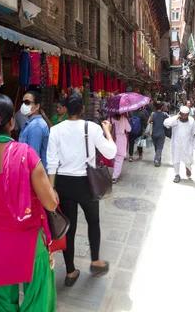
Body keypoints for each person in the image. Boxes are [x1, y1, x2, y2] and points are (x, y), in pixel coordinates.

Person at [0, 94, 58, 311]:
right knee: (39, 300)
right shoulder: (26, 154)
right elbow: (51, 205)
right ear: (11, 122)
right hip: (30, 241)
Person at [47, 93, 117, 287]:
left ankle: (70, 271)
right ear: (83, 109)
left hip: (63, 183)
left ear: (66, 109)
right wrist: (108, 131)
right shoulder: (92, 128)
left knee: (68, 228)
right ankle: (95, 261)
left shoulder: (56, 130)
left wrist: (52, 188)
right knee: (93, 222)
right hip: (87, 184)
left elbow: (51, 162)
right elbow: (110, 151)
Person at [164, 106, 195, 183]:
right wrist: (176, 117)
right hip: (176, 144)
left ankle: (188, 168)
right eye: (182, 114)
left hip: (187, 144)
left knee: (188, 158)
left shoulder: (192, 120)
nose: (183, 116)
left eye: (185, 115)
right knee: (176, 159)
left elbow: (194, 132)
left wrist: (194, 143)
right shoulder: (175, 120)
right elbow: (166, 123)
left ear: (188, 114)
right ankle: (177, 175)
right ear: (180, 113)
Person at [19, 91, 50, 169]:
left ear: (37, 106)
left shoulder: (36, 126)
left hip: (33, 175)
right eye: (22, 102)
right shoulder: (32, 124)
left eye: (27, 102)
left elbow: (33, 157)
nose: (23, 105)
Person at [111, 113, 131, 183]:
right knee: (119, 159)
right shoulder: (124, 119)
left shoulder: (110, 119)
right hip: (121, 140)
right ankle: (114, 176)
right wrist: (128, 121)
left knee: (114, 156)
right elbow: (129, 129)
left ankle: (115, 170)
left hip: (111, 139)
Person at [148, 101, 169, 167]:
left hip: (154, 133)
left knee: (156, 147)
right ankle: (157, 160)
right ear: (162, 107)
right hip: (162, 134)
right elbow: (170, 121)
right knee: (159, 147)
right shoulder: (165, 114)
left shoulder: (153, 114)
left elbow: (148, 122)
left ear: (155, 107)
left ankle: (158, 158)